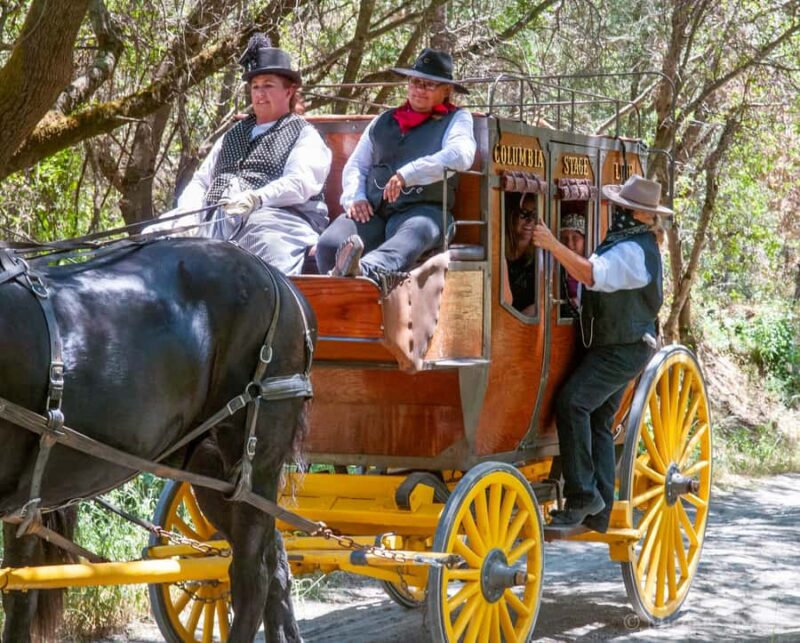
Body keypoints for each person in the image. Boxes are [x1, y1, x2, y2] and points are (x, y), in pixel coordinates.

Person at [532, 174, 670, 532]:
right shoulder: (626, 242)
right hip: (616, 343)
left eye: (624, 207)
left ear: (641, 215)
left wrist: (551, 244)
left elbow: (591, 274)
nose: (617, 211)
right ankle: (600, 509)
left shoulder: (633, 251)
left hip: (624, 348)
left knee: (573, 403)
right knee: (598, 420)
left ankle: (583, 496)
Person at [165, 34, 331, 275]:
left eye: (268, 86)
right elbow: (201, 181)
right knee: (156, 236)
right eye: (255, 87)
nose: (260, 94)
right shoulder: (232, 135)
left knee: (260, 242)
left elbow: (299, 183)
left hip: (277, 220)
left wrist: (257, 198)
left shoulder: (304, 135)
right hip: (217, 219)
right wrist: (187, 215)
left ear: (289, 91)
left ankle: (271, 298)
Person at [315, 48, 476, 288]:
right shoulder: (383, 120)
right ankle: (339, 298)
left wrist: (407, 174)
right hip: (375, 211)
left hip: (424, 212)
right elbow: (357, 165)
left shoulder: (458, 118)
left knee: (411, 237)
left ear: (446, 91)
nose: (419, 89)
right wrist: (356, 197)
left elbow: (461, 155)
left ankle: (363, 271)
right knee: (329, 245)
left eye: (429, 84)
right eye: (415, 81)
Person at [505, 193, 538, 316]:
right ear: (511, 216)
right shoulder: (498, 253)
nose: (530, 221)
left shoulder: (541, 256)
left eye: (534, 215)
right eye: (523, 214)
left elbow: (545, 302)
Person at [559, 212, 586, 311]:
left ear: (585, 241)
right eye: (564, 238)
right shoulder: (554, 268)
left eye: (575, 238)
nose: (569, 244)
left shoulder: (593, 268)